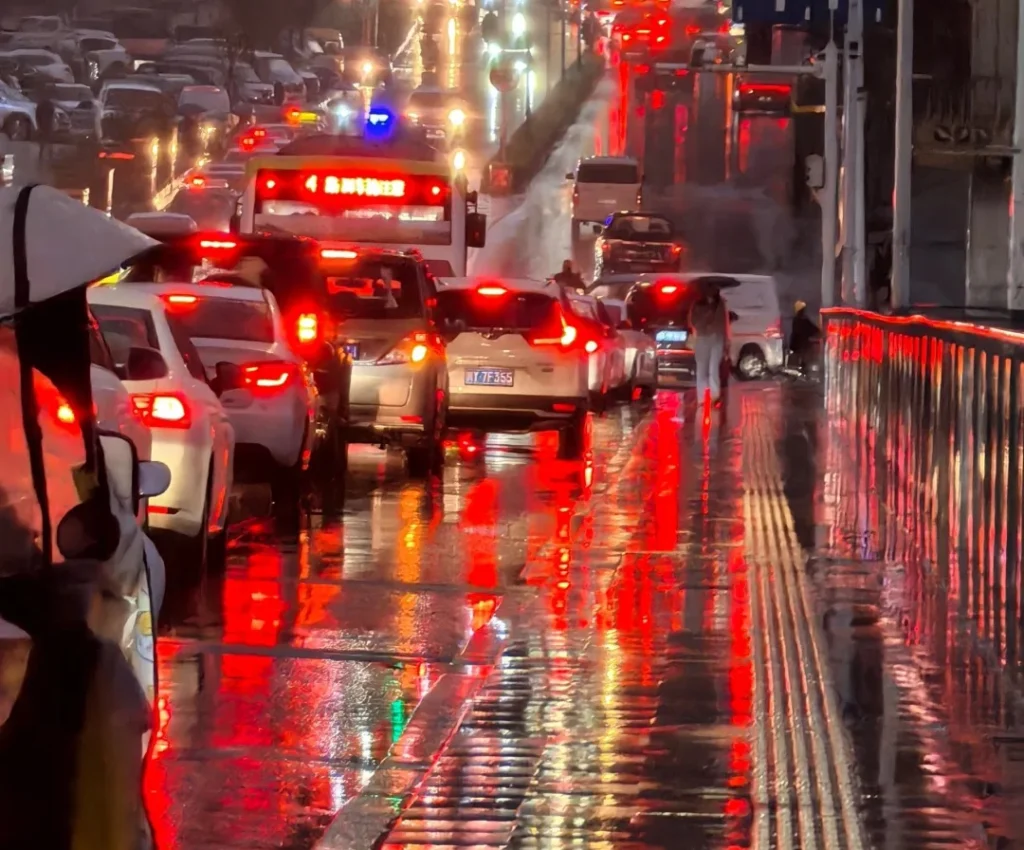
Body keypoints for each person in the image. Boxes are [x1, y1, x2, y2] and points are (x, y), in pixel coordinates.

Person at [688, 282, 730, 406]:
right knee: (703, 369)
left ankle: (713, 396)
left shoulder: (720, 303)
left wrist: (727, 341)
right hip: (704, 338)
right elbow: (693, 323)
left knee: (712, 368)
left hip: (715, 338)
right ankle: (703, 398)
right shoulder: (697, 305)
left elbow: (725, 322)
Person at [788, 299, 821, 370]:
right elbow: (813, 329)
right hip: (802, 344)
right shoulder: (802, 320)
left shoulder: (798, 320)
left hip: (799, 344)